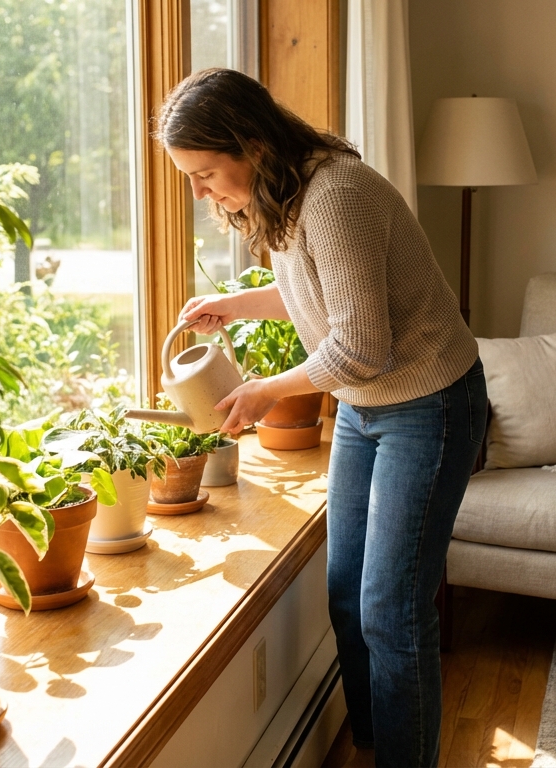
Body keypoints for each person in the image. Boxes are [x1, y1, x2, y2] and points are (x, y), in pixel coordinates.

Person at [158, 68, 485, 768]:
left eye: (206, 172)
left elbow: (362, 345)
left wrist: (268, 390)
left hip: (428, 408)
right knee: (347, 599)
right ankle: (378, 747)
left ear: (252, 142)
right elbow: (318, 293)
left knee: (391, 614)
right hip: (366, 410)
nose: (200, 192)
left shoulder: (336, 195)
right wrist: (236, 306)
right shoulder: (286, 194)